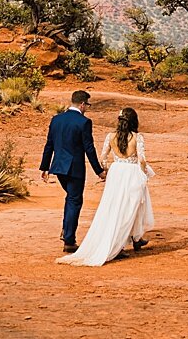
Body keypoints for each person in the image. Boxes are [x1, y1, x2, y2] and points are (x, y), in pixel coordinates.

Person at [60, 106, 156, 267]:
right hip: (131, 172)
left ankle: (135, 238)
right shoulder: (137, 137)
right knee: (131, 207)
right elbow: (142, 159)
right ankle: (125, 241)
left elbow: (103, 157)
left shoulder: (110, 136)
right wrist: (144, 172)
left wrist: (105, 171)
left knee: (114, 207)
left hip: (116, 173)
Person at [39, 89, 105, 253]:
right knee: (74, 201)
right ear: (82, 104)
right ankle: (69, 239)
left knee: (71, 199)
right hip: (74, 169)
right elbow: (89, 148)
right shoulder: (84, 122)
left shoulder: (56, 119)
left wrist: (45, 167)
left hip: (58, 167)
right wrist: (99, 171)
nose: (87, 108)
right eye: (87, 105)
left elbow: (49, 145)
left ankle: (66, 229)